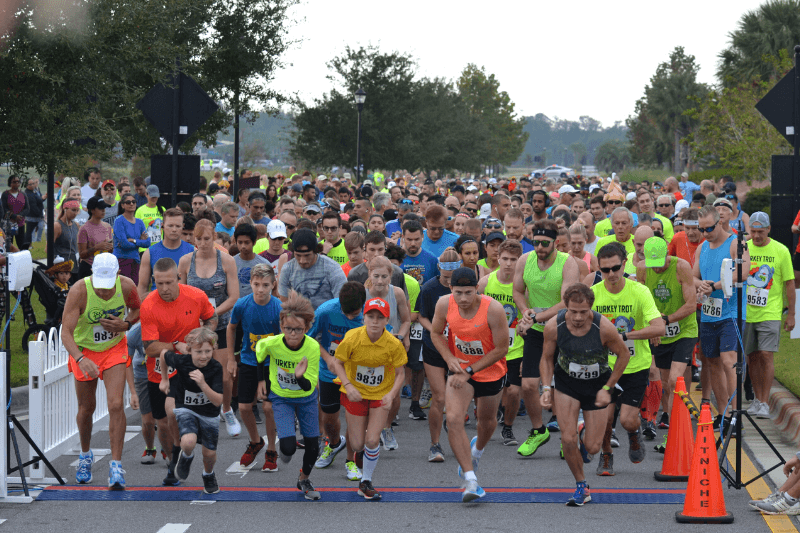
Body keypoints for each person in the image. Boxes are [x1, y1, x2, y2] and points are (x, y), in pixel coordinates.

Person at [538, 283, 631, 506]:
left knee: (592, 447)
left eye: (583, 312)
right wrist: (546, 388)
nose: (578, 317)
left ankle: (583, 430)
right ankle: (582, 486)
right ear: (566, 307)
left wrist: (608, 387)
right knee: (567, 439)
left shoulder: (604, 328)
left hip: (596, 385)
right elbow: (546, 357)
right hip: (566, 384)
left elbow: (624, 355)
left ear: (591, 308)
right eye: (573, 311)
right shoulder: (554, 326)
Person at [60, 253, 141, 490]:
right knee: (87, 408)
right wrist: (80, 358)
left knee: (116, 404)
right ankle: (86, 455)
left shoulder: (127, 286)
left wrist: (126, 324)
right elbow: (66, 332)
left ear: (117, 275)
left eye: (108, 287)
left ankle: (116, 465)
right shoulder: (79, 291)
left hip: (114, 348)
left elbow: (138, 309)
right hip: (84, 350)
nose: (104, 292)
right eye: (100, 285)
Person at [430, 267, 509, 502]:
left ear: (477, 289)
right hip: (460, 371)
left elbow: (502, 349)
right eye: (458, 293)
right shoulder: (444, 304)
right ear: (450, 289)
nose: (463, 299)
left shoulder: (493, 309)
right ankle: (471, 480)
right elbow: (435, 333)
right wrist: (449, 358)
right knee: (453, 419)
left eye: (468, 293)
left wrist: (470, 370)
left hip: (490, 371)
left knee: (486, 422)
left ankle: (477, 451)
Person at [141, 257, 218, 485]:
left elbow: (211, 318)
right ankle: (173, 458)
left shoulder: (196, 296)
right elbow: (150, 347)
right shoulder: (149, 305)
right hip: (160, 368)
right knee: (163, 422)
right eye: (158, 284)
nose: (163, 289)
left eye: (168, 283)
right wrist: (177, 345)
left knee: (177, 413)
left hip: (189, 368)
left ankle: (185, 453)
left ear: (178, 278)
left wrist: (202, 338)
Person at [592, 242, 665, 473]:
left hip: (635, 366)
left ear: (625, 264)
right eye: (605, 270)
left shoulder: (640, 291)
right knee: (604, 418)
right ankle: (606, 455)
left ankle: (634, 434)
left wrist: (623, 335)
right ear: (599, 270)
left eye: (615, 268)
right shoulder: (594, 295)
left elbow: (659, 328)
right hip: (605, 367)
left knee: (626, 420)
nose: (611, 274)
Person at [512, 219, 579, 457]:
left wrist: (537, 316)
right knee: (529, 385)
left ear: (556, 243)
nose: (539, 247)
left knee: (562, 388)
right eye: (535, 242)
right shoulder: (524, 260)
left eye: (544, 243)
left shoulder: (567, 263)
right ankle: (538, 430)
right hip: (536, 330)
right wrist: (525, 311)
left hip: (562, 330)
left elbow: (566, 302)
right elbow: (518, 291)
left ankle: (567, 436)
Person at [332, 296, 408, 500]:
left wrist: (391, 395)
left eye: (379, 318)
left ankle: (365, 482)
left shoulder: (393, 344)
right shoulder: (352, 337)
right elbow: (338, 363)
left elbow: (401, 373)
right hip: (355, 394)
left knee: (372, 440)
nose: (374, 321)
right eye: (370, 316)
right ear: (364, 318)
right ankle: (358, 454)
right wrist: (348, 385)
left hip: (380, 396)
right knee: (358, 444)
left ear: (387, 321)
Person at [178, 219, 240, 437]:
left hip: (221, 323)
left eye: (207, 238)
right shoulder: (186, 261)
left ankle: (227, 409)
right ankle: (195, 412)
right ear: (193, 239)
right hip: (196, 326)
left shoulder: (227, 261)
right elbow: (182, 294)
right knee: (195, 371)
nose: (203, 243)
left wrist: (212, 314)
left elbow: (234, 296)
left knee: (224, 375)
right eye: (199, 239)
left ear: (214, 238)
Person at [637, 237, 698, 452]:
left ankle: (676, 435)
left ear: (667, 255)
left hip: (684, 330)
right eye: (653, 264)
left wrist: (666, 320)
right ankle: (675, 434)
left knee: (675, 380)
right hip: (661, 331)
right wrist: (652, 324)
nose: (658, 267)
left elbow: (691, 304)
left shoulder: (681, 267)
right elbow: (641, 301)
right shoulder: (642, 269)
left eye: (661, 262)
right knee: (665, 384)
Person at [694, 205, 749, 433]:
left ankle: (736, 416)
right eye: (701, 229)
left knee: (729, 361)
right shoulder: (702, 247)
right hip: (709, 312)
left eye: (709, 228)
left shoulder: (735, 243)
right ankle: (724, 413)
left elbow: (744, 273)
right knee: (713, 363)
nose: (705, 233)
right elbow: (694, 276)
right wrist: (702, 285)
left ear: (720, 223)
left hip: (731, 312)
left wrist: (714, 285)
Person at [226, 263, 282, 470]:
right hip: (249, 360)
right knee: (243, 407)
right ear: (250, 283)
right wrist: (231, 358)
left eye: (265, 285)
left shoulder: (278, 308)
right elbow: (231, 329)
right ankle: (256, 441)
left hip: (272, 364)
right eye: (256, 284)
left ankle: (271, 451)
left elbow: (283, 340)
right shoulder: (242, 304)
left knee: (268, 408)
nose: (260, 289)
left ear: (273, 285)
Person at [309, 282, 366, 479]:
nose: (351, 317)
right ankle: (334, 444)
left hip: (357, 375)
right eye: (346, 313)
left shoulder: (370, 315)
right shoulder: (325, 311)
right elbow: (310, 339)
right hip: (329, 373)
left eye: (355, 314)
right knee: (329, 419)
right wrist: (327, 358)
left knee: (353, 418)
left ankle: (351, 460)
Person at [158, 327, 223, 494]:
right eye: (198, 351)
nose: (203, 356)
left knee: (209, 453)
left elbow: (218, 401)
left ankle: (208, 474)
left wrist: (203, 384)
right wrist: (164, 379)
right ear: (189, 350)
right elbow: (164, 354)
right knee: (188, 441)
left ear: (213, 349)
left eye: (208, 351)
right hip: (186, 408)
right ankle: (186, 457)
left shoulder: (215, 368)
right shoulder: (182, 361)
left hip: (209, 413)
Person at [744, 213, 795, 419]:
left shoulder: (780, 250)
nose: (756, 236)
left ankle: (765, 401)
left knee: (766, 354)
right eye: (753, 231)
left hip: (770, 310)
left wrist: (791, 314)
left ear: (768, 229)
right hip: (747, 311)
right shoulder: (743, 247)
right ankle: (757, 399)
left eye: (760, 231)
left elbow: (789, 283)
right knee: (752, 357)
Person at [478, 239, 525, 446]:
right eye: (504, 258)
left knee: (514, 391)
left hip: (516, 348)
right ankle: (489, 417)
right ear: (498, 258)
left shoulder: (524, 286)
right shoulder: (486, 283)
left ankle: (508, 427)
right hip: (491, 348)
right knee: (489, 392)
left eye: (513, 260)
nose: (508, 263)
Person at [364, 256, 411, 451]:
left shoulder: (397, 293)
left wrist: (400, 337)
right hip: (367, 348)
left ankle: (387, 427)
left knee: (394, 393)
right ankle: (369, 429)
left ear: (391, 276)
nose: (380, 281)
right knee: (368, 391)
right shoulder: (362, 293)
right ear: (369, 275)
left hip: (391, 348)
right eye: (376, 276)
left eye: (384, 276)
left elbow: (406, 319)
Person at [419, 248, 460, 462]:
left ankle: (452, 428)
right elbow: (421, 316)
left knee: (456, 400)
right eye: (445, 278)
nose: (449, 283)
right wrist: (435, 329)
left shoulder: (465, 288)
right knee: (439, 397)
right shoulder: (429, 288)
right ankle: (435, 444)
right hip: (434, 346)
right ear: (439, 270)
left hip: (458, 349)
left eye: (453, 279)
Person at [279, 229, 347, 309]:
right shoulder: (287, 269)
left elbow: (341, 301)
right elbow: (284, 303)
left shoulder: (332, 268)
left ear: (316, 251)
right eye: (298, 255)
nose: (302, 261)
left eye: (307, 255)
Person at [113, 193, 149, 286]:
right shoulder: (119, 220)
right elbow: (124, 244)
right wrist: (140, 242)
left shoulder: (140, 222)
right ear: (122, 205)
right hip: (122, 260)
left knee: (134, 289)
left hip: (135, 260)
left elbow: (148, 242)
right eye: (128, 202)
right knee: (123, 289)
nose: (131, 204)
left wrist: (133, 240)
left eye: (134, 202)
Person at [77, 197, 114, 279]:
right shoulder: (84, 229)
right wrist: (96, 247)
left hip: (103, 267)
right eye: (100, 208)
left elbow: (110, 250)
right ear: (92, 210)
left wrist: (110, 247)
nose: (103, 210)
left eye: (104, 208)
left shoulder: (107, 226)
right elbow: (82, 254)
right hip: (88, 267)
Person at [233, 224, 268, 299]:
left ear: (254, 242)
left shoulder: (263, 264)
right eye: (240, 242)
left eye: (247, 242)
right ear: (236, 242)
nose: (243, 246)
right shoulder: (231, 262)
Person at [401, 220, 439, 285]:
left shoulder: (432, 260)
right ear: (403, 237)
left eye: (416, 239)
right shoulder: (395, 258)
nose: (413, 243)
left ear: (422, 237)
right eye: (409, 239)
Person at [53, 199, 81, 280]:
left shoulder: (76, 225)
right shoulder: (57, 226)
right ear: (65, 209)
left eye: (77, 210)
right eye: (73, 210)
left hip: (74, 264)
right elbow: (48, 249)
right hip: (62, 267)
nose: (75, 213)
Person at [24, 177, 45, 245]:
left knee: (39, 227)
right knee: (30, 232)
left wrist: (44, 198)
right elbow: (33, 207)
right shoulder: (28, 194)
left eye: (33, 183)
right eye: (31, 184)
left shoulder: (34, 192)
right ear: (27, 185)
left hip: (37, 215)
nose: (33, 185)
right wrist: (40, 215)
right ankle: (29, 244)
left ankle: (36, 241)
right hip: (32, 216)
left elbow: (39, 200)